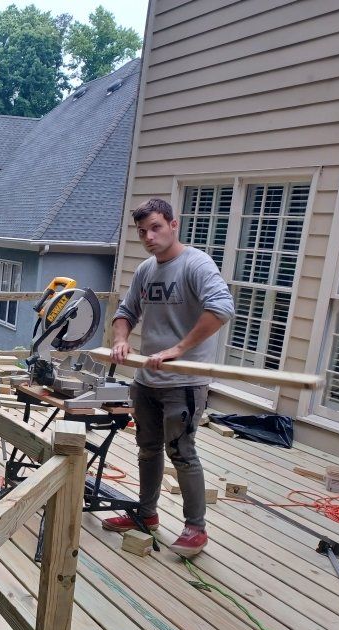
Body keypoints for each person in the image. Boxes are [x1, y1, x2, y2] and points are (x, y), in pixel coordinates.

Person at [105, 198, 235, 557]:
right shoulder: (147, 270)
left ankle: (196, 529)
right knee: (147, 450)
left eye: (156, 227)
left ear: (174, 225)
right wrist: (120, 339)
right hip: (147, 380)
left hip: (184, 382)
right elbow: (125, 311)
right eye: (142, 231)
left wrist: (180, 348)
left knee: (182, 452)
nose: (149, 236)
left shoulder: (196, 264)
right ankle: (146, 516)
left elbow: (222, 309)